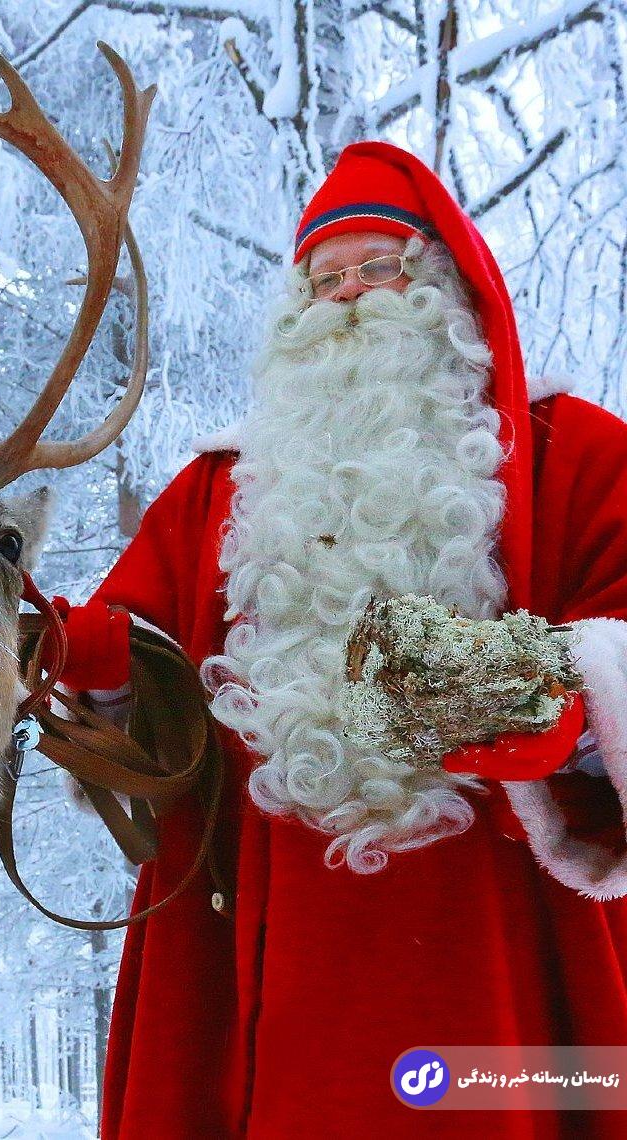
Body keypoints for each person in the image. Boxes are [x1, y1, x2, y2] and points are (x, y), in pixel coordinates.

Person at [55, 141, 627, 1137]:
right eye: (325, 281)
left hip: (495, 954)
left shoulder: (574, 452)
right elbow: (134, 698)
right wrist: (87, 668)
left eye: (379, 267)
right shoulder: (216, 494)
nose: (351, 295)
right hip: (277, 960)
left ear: (446, 289)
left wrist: (556, 699)